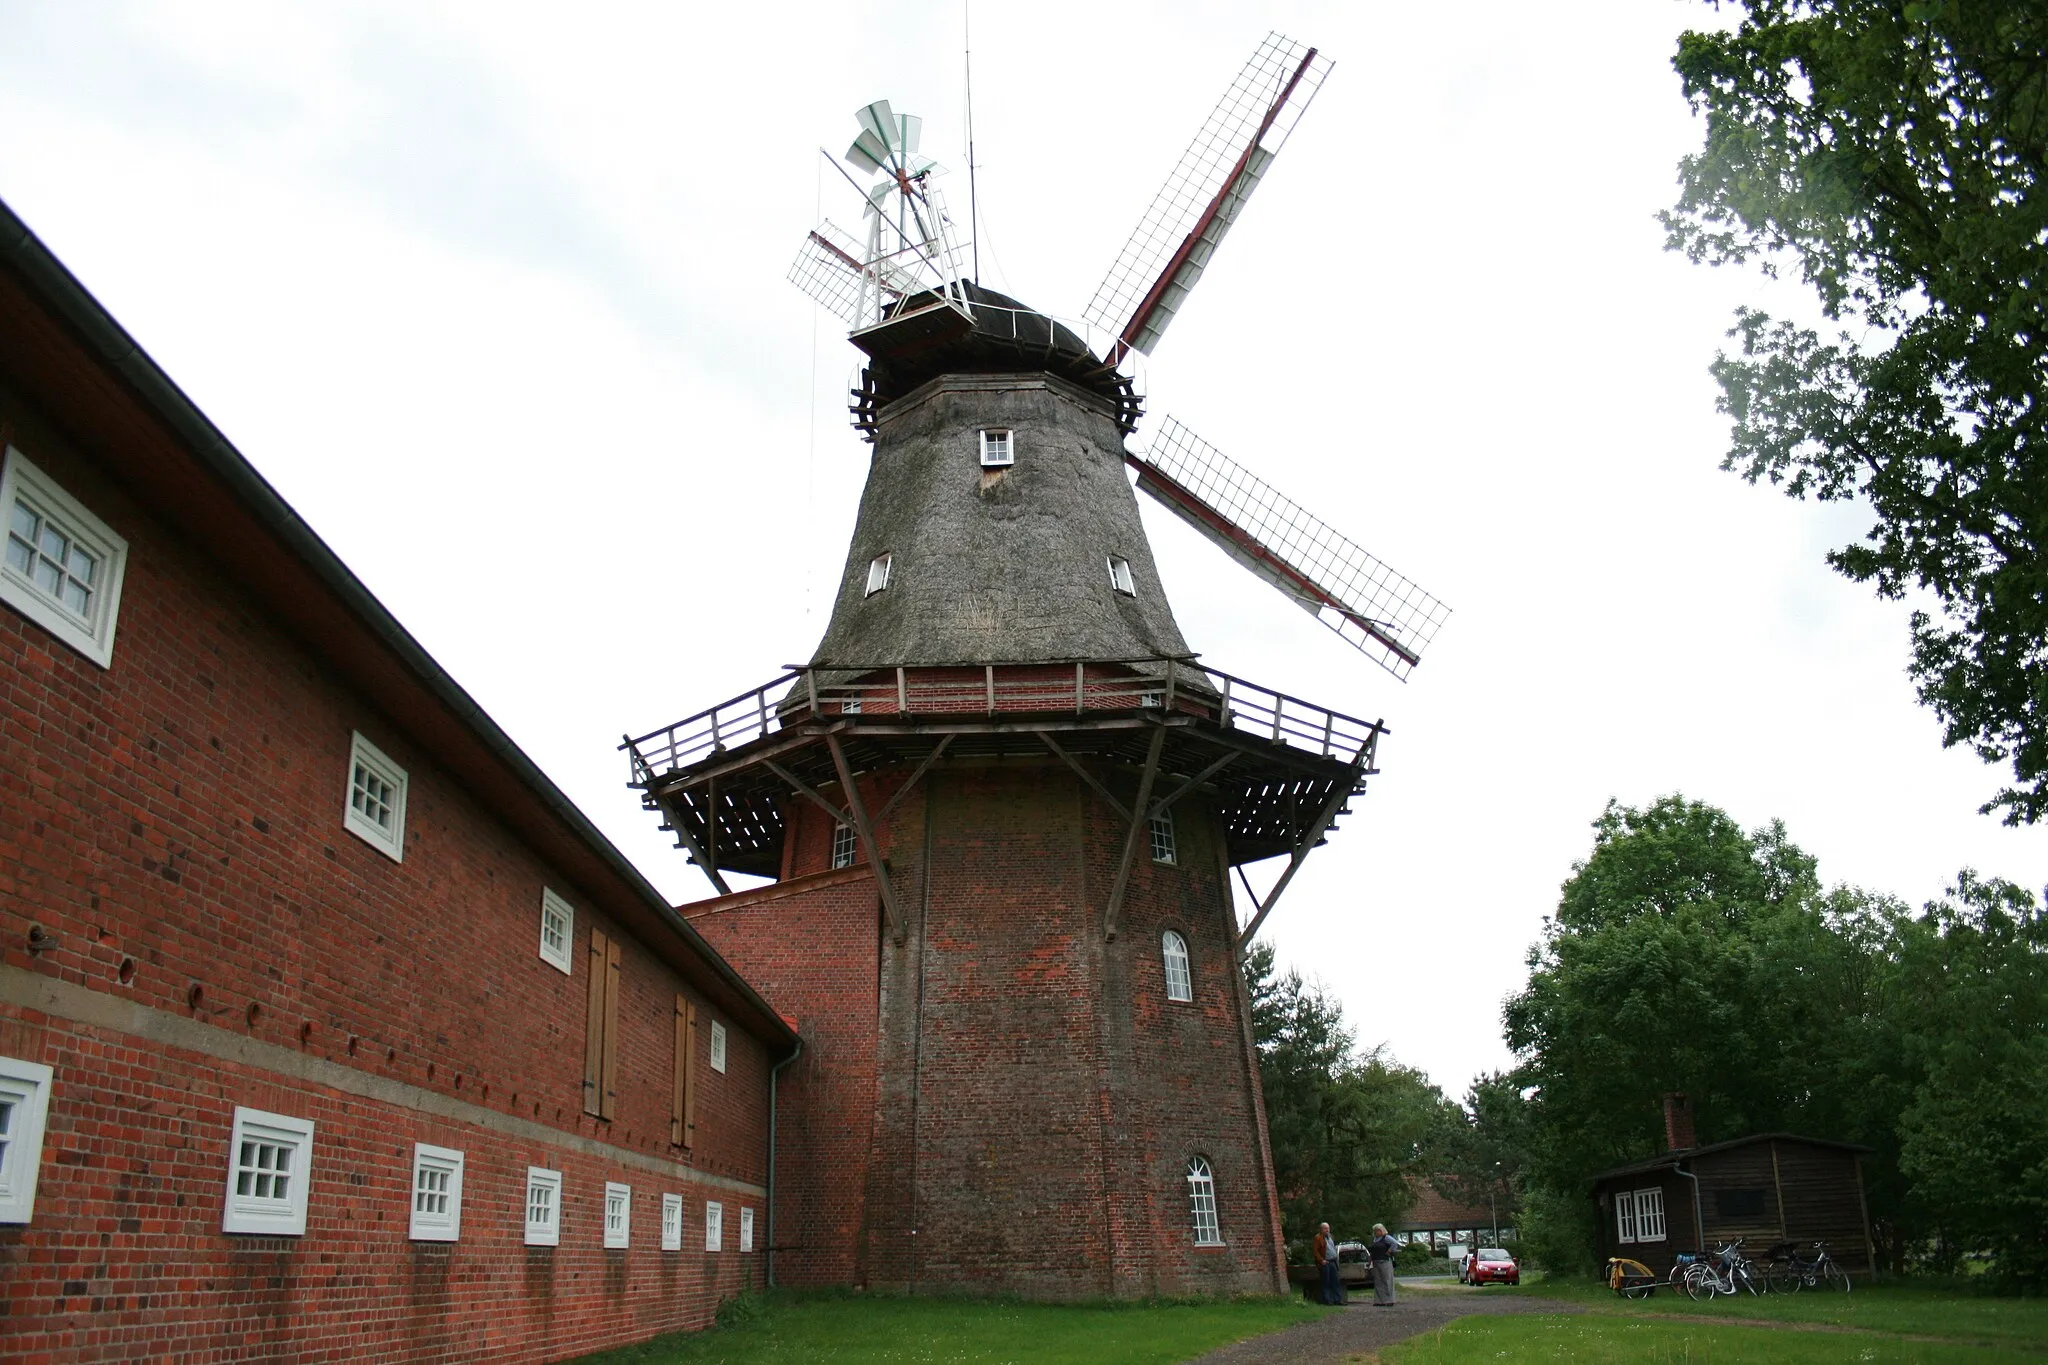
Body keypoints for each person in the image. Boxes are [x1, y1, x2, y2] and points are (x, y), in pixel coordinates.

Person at [1312, 1222, 1344, 1305]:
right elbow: (1315, 1251)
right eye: (1325, 1228)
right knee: (1326, 1282)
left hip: (1333, 1261)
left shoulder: (1330, 1237)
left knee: (1335, 1281)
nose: (1327, 1230)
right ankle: (1328, 1300)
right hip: (1325, 1262)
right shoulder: (1318, 1238)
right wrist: (1321, 1260)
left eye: (1328, 1228)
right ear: (1321, 1229)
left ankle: (1337, 1299)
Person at [1368, 1222, 1399, 1306]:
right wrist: (1369, 1261)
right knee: (1378, 1281)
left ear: (1381, 1230)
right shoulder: (1374, 1239)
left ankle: (1389, 1300)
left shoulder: (1386, 1238)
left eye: (1377, 1230)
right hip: (1376, 1262)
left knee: (1387, 1280)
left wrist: (1389, 1252)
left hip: (1385, 1261)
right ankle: (1379, 1300)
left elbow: (1395, 1244)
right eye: (1375, 1231)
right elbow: (1371, 1251)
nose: (1376, 1232)